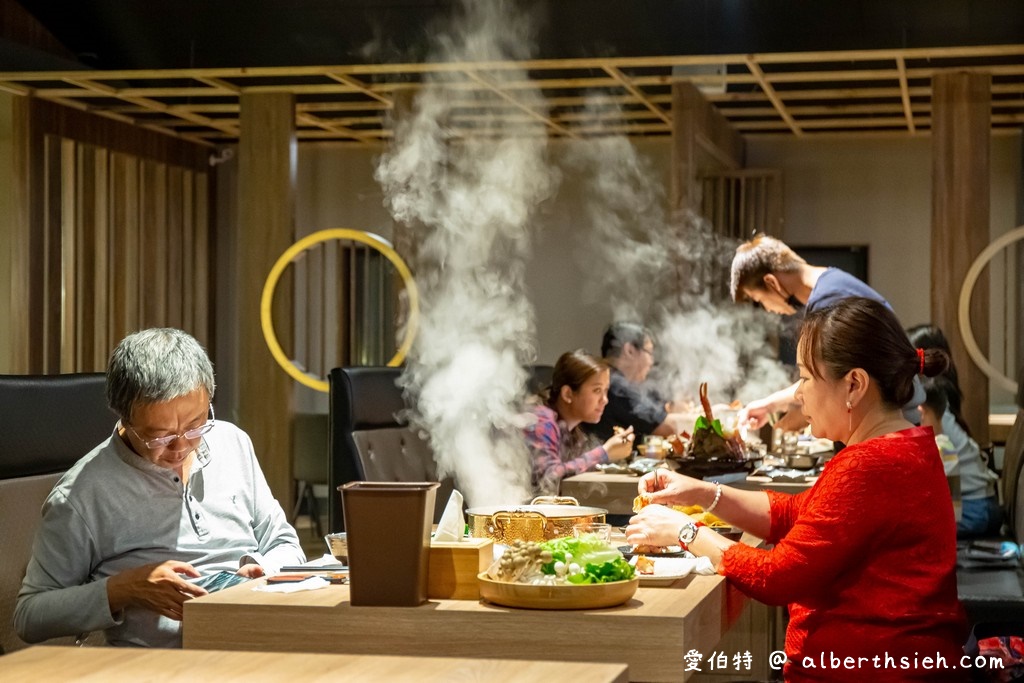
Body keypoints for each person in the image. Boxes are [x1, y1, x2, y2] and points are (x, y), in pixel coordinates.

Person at [627, 297, 966, 681]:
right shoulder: (902, 445)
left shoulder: (871, 464)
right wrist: (698, 492)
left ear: (854, 384)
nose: (799, 394)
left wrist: (684, 531)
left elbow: (778, 576)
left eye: (805, 377)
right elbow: (797, 513)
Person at [15, 328, 305, 648]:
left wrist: (262, 570)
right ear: (125, 417)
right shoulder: (80, 496)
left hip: (256, 638)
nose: (181, 447)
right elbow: (29, 615)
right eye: (160, 436)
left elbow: (286, 544)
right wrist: (122, 589)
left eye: (196, 425)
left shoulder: (232, 442)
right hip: (161, 663)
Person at [730, 234, 923, 429]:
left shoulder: (828, 303)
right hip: (893, 421)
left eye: (758, 299)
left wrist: (779, 410)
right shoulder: (833, 281)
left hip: (883, 427)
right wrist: (770, 405)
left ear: (772, 282)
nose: (768, 309)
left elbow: (827, 380)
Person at [909, 324, 1000, 538]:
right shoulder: (940, 407)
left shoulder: (939, 422)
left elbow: (947, 499)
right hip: (980, 504)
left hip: (975, 508)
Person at [525, 350, 634, 496]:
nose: (605, 400)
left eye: (605, 391)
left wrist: (615, 452)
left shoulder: (570, 427)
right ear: (568, 394)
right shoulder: (542, 420)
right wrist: (604, 453)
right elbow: (549, 478)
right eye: (597, 390)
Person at [583, 322, 691, 442]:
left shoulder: (614, 379)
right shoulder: (615, 385)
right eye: (649, 352)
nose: (651, 362)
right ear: (629, 351)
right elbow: (671, 427)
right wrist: (712, 415)